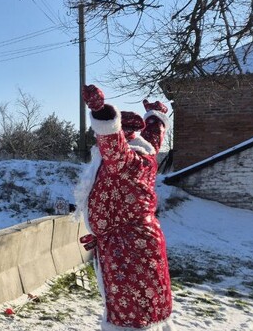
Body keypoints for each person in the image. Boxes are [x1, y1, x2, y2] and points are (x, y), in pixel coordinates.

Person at [78, 84, 174, 330]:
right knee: (144, 305)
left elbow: (112, 143)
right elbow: (155, 132)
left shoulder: (126, 159)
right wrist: (155, 114)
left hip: (129, 247)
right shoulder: (146, 151)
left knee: (130, 310)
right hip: (137, 240)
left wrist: (100, 111)